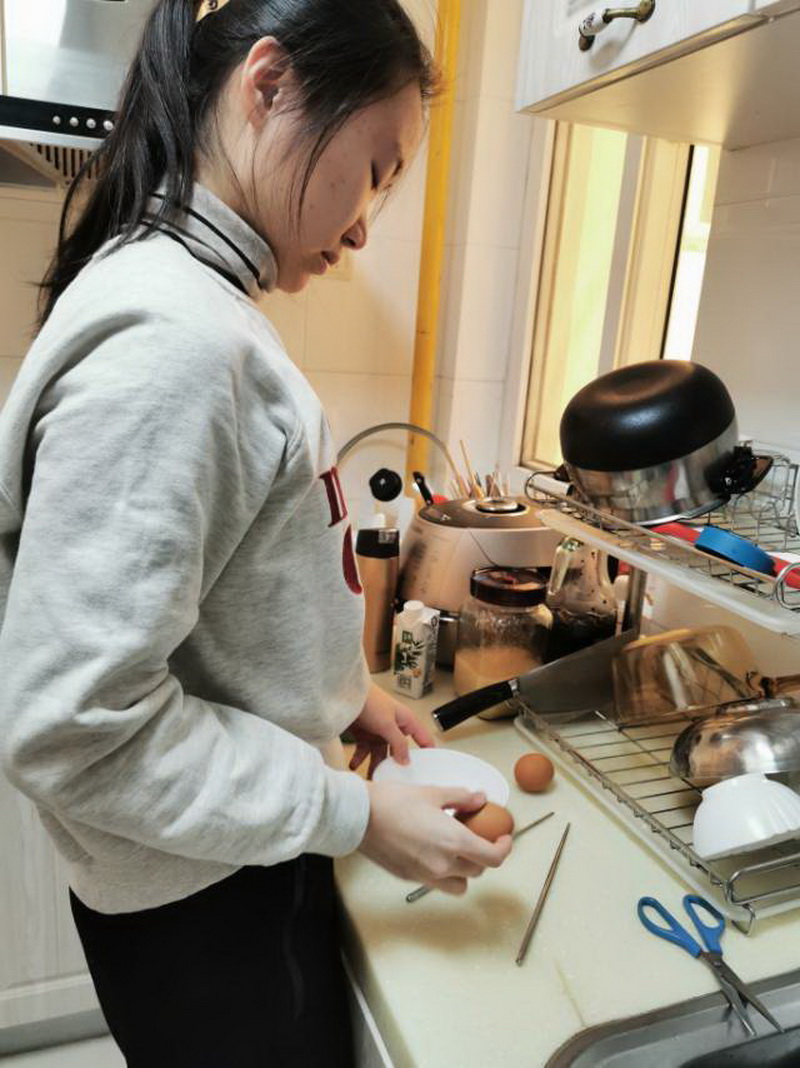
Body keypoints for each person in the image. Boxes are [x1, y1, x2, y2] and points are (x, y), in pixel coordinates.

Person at [0, 0, 513, 1064]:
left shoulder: (189, 304)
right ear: (268, 84)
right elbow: (73, 729)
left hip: (216, 870)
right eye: (374, 170)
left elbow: (223, 606)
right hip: (208, 907)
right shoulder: (176, 343)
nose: (365, 227)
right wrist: (355, 815)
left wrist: (341, 696)